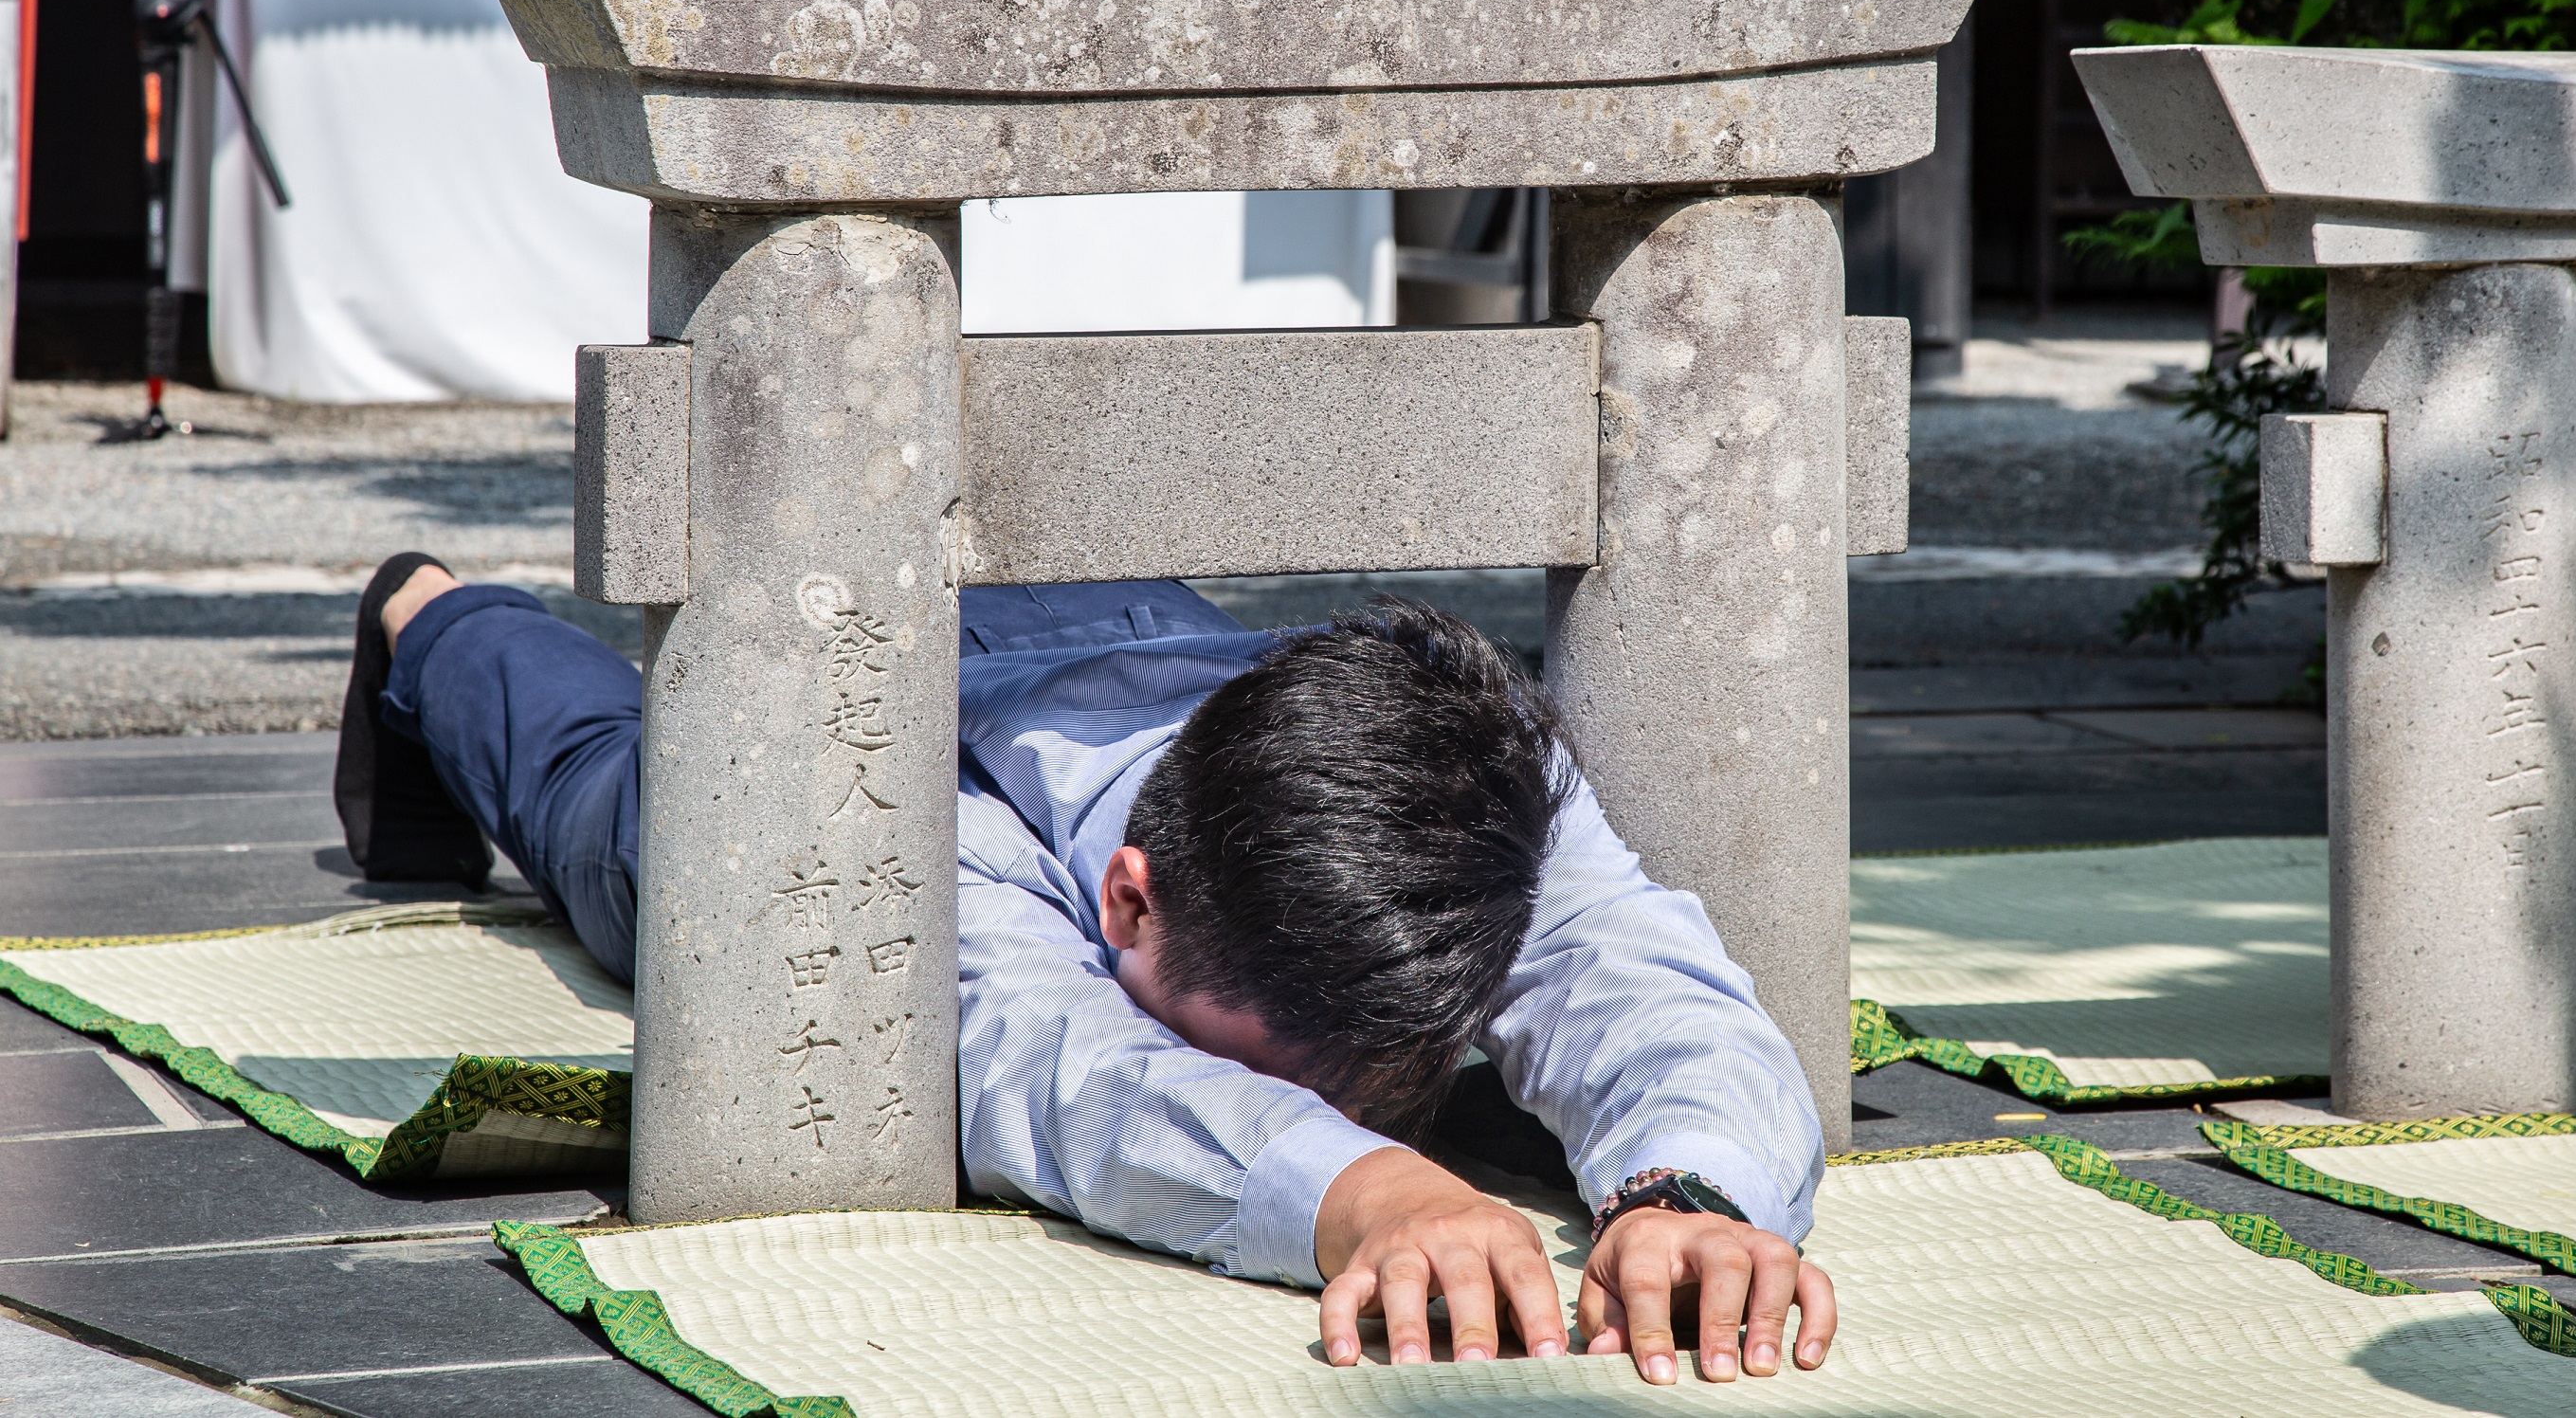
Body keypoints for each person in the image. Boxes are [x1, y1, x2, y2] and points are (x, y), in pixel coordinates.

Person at [335, 554, 1836, 1385]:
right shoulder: (938, 824)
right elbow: (1058, 1069)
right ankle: (431, 610)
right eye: (1264, 1065)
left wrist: (1688, 1189)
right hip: (805, 749)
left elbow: (1640, 982)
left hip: (1110, 620)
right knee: (586, 765)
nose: (1373, 1116)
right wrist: (1360, 1189)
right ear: (1131, 902)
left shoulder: (1455, 769)